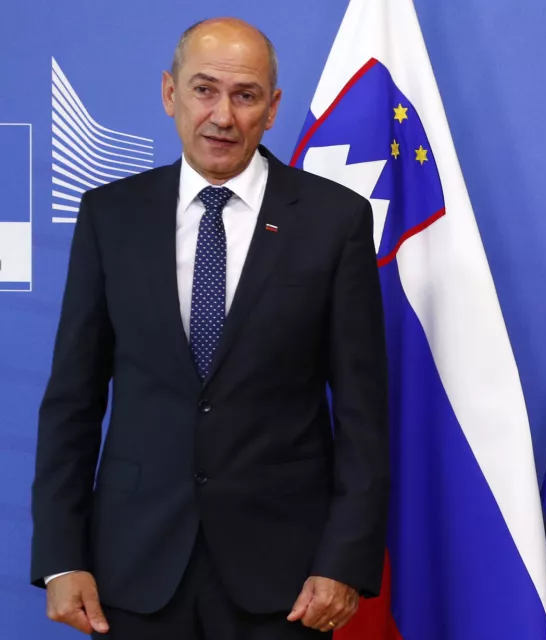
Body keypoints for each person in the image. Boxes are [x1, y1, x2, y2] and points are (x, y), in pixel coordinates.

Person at [30, 17, 389, 639]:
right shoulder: (110, 216)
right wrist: (62, 557)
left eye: (245, 95)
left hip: (286, 579)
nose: (222, 115)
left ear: (272, 108)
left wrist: (344, 563)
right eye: (204, 90)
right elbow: (72, 403)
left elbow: (363, 414)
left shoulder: (335, 221)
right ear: (170, 93)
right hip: (132, 571)